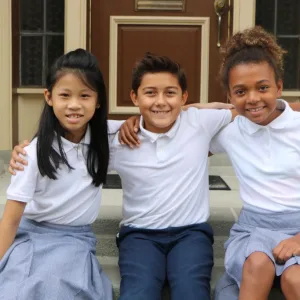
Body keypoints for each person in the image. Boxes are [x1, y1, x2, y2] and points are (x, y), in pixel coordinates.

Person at [8, 53, 235, 300]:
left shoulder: (192, 124)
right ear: (134, 97)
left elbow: (238, 110)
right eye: (150, 93)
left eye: (170, 93)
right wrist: (26, 150)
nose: (160, 102)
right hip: (138, 235)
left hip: (190, 234)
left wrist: (179, 109)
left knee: (192, 292)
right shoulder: (112, 140)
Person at [0, 48, 118, 300]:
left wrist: (219, 108)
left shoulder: (108, 138)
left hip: (74, 239)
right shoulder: (32, 154)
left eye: (85, 95)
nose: (74, 105)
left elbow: (162, 117)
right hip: (30, 234)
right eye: (64, 95)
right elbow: (10, 220)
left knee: (58, 288)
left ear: (98, 101)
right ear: (49, 97)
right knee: (15, 289)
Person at [207, 26, 300, 300]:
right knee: (258, 263)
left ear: (279, 87)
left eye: (263, 87)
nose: (253, 99)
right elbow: (179, 121)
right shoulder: (231, 131)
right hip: (253, 228)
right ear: (229, 97)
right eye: (240, 91)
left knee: (296, 279)